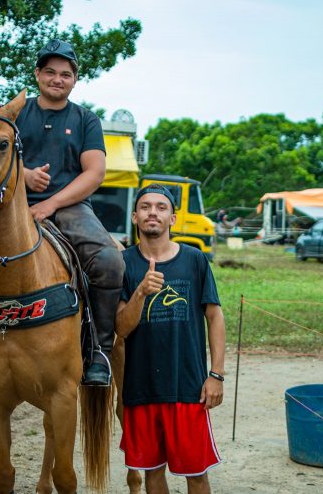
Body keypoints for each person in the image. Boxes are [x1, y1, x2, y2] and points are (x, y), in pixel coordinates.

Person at [0, 39, 122, 388]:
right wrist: (23, 176)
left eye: (66, 74)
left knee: (109, 263)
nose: (58, 79)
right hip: (9, 207)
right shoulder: (15, 114)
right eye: (51, 72)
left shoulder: (86, 120)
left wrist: (51, 203)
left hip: (69, 208)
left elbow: (94, 173)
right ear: (38, 74)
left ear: (74, 80)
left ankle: (98, 351)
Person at [115, 184, 226, 493]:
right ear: (135, 216)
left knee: (197, 474)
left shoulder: (194, 260)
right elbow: (121, 329)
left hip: (188, 388)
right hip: (141, 389)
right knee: (152, 473)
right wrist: (140, 291)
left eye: (161, 207)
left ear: (173, 219)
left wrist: (215, 375)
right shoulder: (122, 264)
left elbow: (215, 316)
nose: (153, 212)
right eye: (146, 207)